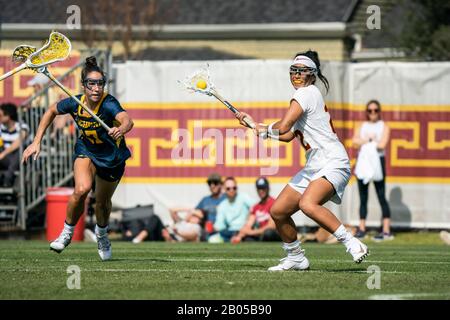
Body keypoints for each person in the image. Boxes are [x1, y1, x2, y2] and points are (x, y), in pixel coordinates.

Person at [236, 50, 369, 271]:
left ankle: (352, 242)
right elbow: (288, 135)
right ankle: (296, 257)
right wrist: (254, 125)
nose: (297, 75)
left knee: (308, 204)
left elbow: (283, 127)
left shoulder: (306, 93)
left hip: (333, 161)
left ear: (312, 75)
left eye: (302, 71)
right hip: (314, 165)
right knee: (278, 211)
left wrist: (261, 128)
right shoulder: (306, 97)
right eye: (294, 71)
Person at [22, 56, 134, 261]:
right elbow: (51, 111)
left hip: (111, 157)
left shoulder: (108, 103)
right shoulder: (75, 102)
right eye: (91, 83)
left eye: (100, 83)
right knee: (81, 189)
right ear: (84, 85)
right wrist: (36, 141)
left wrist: (121, 129)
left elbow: (127, 120)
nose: (96, 88)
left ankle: (101, 235)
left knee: (102, 203)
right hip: (86, 150)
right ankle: (66, 233)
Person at [352, 100, 393, 241]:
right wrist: (371, 140)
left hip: (377, 162)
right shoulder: (362, 126)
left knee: (381, 195)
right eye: (370, 110)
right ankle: (362, 228)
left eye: (375, 110)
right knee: (363, 197)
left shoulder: (384, 126)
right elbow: (354, 141)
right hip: (363, 162)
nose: (373, 113)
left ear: (379, 111)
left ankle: (386, 230)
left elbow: (382, 144)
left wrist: (365, 141)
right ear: (367, 112)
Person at [168, 172, 225, 240]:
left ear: (220, 184)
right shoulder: (205, 200)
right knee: (192, 224)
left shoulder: (226, 199)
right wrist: (192, 215)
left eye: (215, 183)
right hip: (203, 229)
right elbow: (195, 212)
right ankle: (176, 233)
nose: (212, 186)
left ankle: (176, 235)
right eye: (209, 183)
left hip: (218, 230)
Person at [231, 177, 279, 243]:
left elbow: (271, 226)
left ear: (268, 188)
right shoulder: (256, 207)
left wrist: (250, 232)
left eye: (263, 188)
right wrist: (239, 236)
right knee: (245, 238)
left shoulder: (274, 203)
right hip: (261, 234)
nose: (261, 191)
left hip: (274, 234)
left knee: (268, 233)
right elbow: (248, 225)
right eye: (259, 188)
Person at [212, 176, 255, 242]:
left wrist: (250, 216)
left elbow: (256, 207)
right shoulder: (222, 205)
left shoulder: (244, 197)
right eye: (228, 188)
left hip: (245, 230)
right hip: (230, 232)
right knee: (217, 235)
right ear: (224, 189)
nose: (231, 190)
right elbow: (219, 226)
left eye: (234, 188)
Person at [0, 103, 29, 187]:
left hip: (20, 159)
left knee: (20, 149)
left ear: (8, 116)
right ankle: (6, 178)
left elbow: (19, 141)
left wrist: (3, 154)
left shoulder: (22, 126)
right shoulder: (1, 128)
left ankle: (7, 178)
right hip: (6, 159)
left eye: (0, 115)